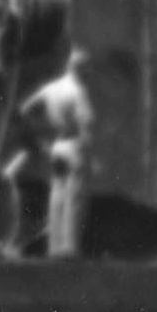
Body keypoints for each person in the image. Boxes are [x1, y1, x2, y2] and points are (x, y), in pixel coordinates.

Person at [14, 54, 95, 258]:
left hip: (56, 145)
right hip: (74, 144)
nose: (89, 73)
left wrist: (38, 134)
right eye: (86, 68)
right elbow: (86, 123)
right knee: (74, 197)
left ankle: (54, 245)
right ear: (79, 68)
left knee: (57, 195)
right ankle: (69, 246)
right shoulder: (77, 91)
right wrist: (89, 151)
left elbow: (24, 109)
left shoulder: (51, 88)